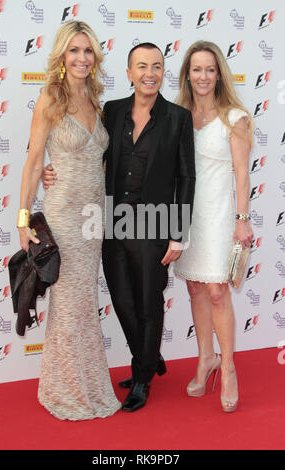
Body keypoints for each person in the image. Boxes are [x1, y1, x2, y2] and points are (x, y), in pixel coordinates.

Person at [17, 20, 121, 421]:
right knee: (68, 303)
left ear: (95, 58)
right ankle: (65, 389)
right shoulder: (50, 99)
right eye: (74, 50)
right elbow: (32, 163)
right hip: (63, 213)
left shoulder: (97, 100)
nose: (81, 58)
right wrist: (23, 221)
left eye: (88, 51)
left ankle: (89, 383)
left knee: (83, 303)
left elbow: (102, 161)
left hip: (94, 217)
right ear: (62, 55)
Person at [101, 43, 195, 412]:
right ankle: (150, 355)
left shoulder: (177, 117)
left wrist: (178, 230)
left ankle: (141, 378)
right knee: (123, 301)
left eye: (156, 66)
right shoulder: (112, 111)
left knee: (148, 301)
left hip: (154, 222)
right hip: (112, 223)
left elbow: (186, 176)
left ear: (163, 72)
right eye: (142, 66)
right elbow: (93, 154)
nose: (149, 73)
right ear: (129, 73)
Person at [174, 40, 254, 413]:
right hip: (187, 214)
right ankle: (205, 357)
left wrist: (242, 220)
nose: (203, 76)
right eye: (196, 69)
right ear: (187, 74)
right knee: (194, 287)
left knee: (217, 291)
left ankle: (229, 368)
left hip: (221, 213)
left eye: (209, 69)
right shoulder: (176, 114)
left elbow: (242, 174)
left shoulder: (235, 117)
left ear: (218, 73)